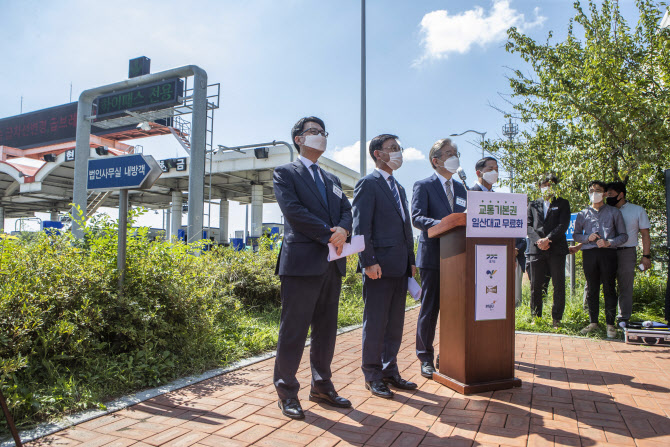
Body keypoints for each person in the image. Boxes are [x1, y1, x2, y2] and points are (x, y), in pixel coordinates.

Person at [272, 116, 353, 419]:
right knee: (293, 331)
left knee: (326, 331)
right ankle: (286, 392)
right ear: (299, 139)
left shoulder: (331, 179)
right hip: (302, 263)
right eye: (313, 132)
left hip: (332, 263)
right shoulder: (285, 173)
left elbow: (347, 209)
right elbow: (293, 211)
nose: (320, 136)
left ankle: (321, 385)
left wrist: (343, 230)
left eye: (323, 132)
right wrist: (329, 233)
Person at [352, 134, 417, 399]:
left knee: (394, 324)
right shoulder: (368, 184)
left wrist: (411, 261)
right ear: (378, 154)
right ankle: (372, 374)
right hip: (378, 267)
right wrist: (368, 261)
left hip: (400, 266)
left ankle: (390, 370)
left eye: (399, 148)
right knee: (376, 323)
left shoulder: (399, 188)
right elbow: (360, 226)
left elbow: (406, 227)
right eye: (393, 148)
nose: (398, 152)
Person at [411, 138, 467, 379]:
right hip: (433, 256)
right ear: (436, 160)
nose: (454, 156)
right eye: (448, 153)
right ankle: (425, 356)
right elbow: (417, 217)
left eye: (455, 152)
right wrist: (445, 224)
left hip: (459, 257)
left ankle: (451, 355)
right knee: (430, 308)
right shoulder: (423, 185)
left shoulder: (463, 189)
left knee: (456, 309)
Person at [573, 181, 628, 338]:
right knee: (592, 289)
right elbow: (576, 235)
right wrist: (587, 237)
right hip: (589, 254)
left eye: (598, 190)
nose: (594, 193)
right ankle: (593, 322)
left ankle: (610, 324)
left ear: (604, 194)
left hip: (608, 253)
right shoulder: (583, 214)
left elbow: (624, 236)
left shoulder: (614, 212)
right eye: (591, 190)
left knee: (609, 288)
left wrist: (609, 242)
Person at [471, 157, 527, 304]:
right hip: (476, 258)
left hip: (498, 260)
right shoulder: (470, 194)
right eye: (490, 169)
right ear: (479, 172)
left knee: (498, 301)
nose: (495, 172)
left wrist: (513, 250)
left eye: (496, 169)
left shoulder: (500, 199)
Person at [526, 174, 570, 328]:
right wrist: (538, 241)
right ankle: (535, 317)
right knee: (536, 285)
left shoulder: (563, 203)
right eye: (544, 184)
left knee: (558, 284)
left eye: (550, 184)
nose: (547, 187)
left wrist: (548, 239)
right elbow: (528, 225)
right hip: (536, 249)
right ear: (539, 186)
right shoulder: (533, 204)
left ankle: (556, 318)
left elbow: (562, 225)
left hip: (556, 249)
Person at [605, 182, 651, 325]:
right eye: (606, 195)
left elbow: (645, 234)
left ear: (621, 195)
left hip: (627, 252)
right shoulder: (604, 210)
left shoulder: (637, 210)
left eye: (611, 194)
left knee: (625, 285)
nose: (608, 197)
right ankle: (596, 318)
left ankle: (623, 319)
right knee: (602, 283)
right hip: (607, 252)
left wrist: (646, 256)